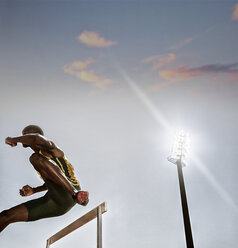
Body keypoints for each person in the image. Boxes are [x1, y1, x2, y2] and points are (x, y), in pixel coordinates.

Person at [0, 125, 89, 232]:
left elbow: (36, 138)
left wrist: (11, 139)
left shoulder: (53, 150)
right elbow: (51, 183)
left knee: (35, 158)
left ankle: (74, 193)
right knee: (6, 216)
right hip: (54, 203)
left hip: (69, 191)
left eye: (27, 136)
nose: (26, 139)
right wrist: (34, 190)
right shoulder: (41, 161)